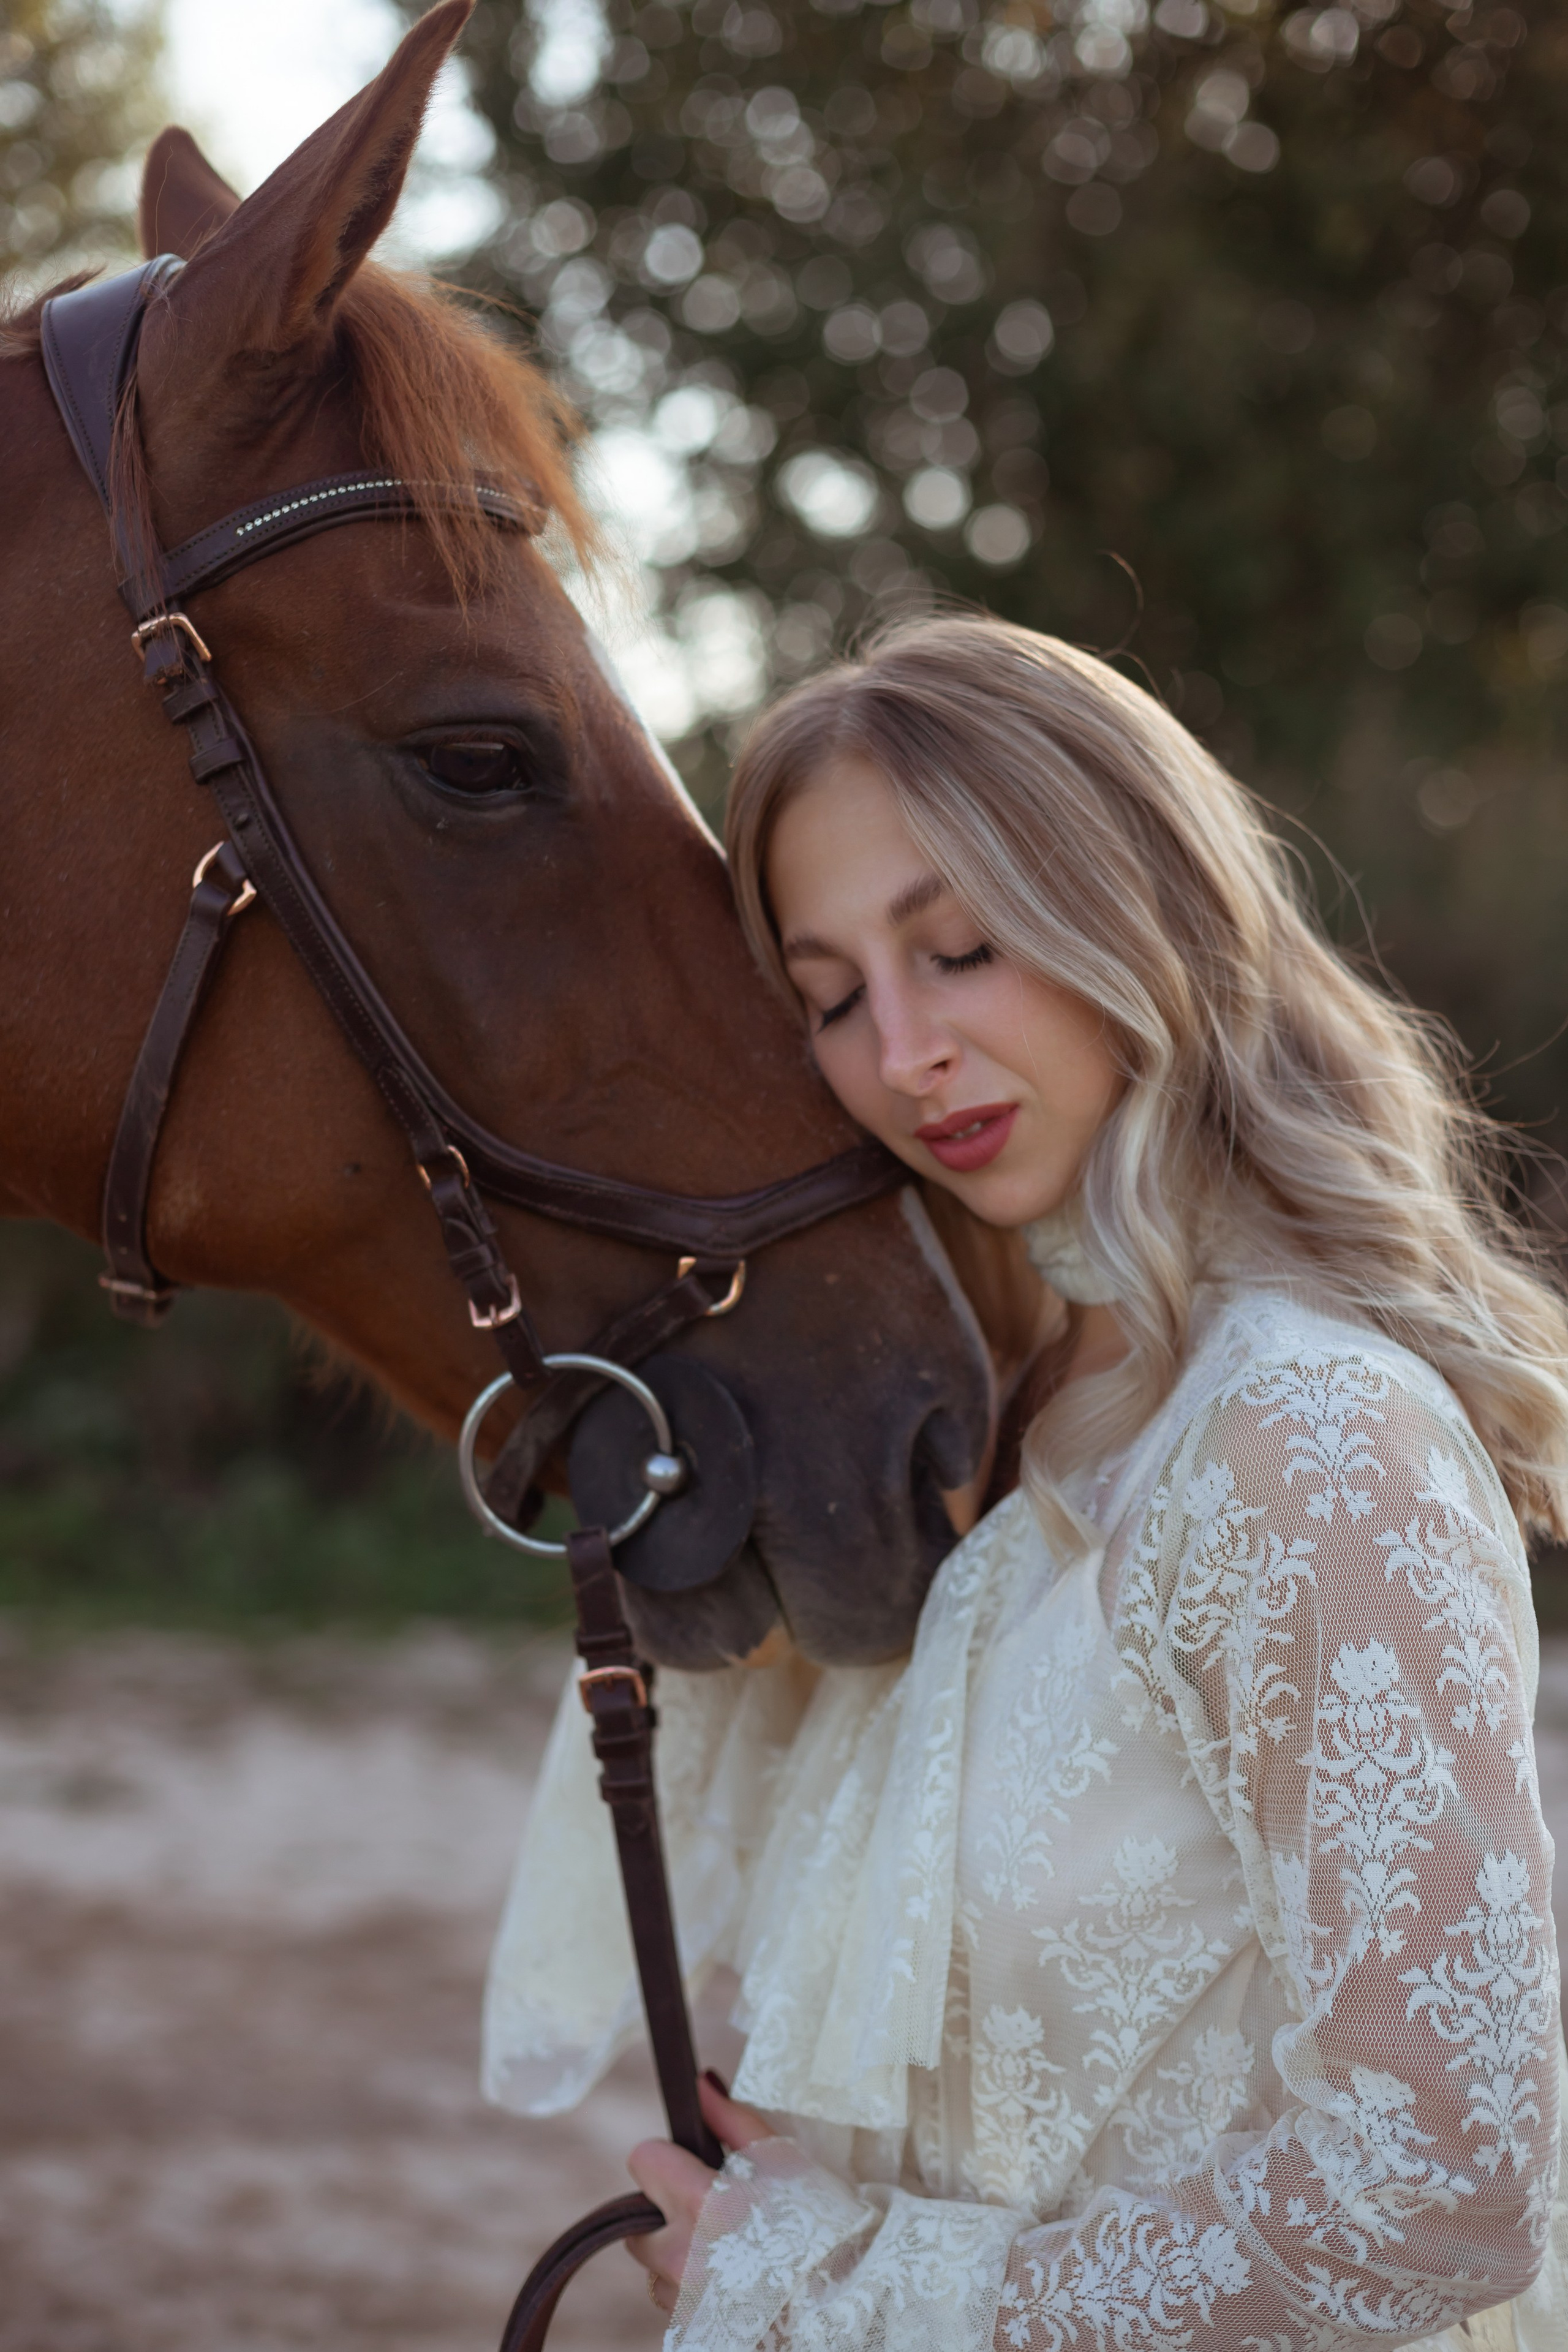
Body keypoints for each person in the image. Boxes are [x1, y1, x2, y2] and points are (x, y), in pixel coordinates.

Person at [483, 616, 1568, 2352]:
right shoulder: (996, 1424)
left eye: (963, 949)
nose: (900, 1052)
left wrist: (827, 2296)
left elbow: (1445, 2182)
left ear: (1140, 907)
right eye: (831, 999)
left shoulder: (1310, 1441)